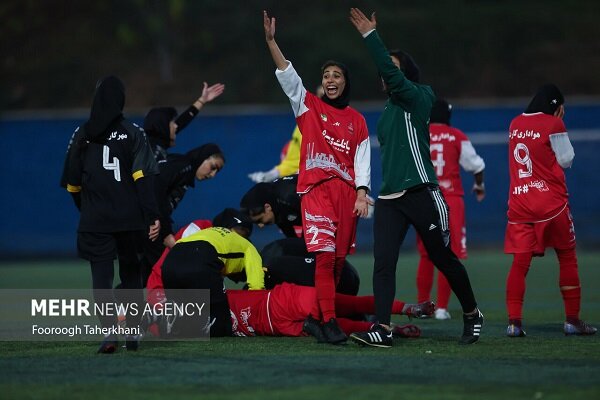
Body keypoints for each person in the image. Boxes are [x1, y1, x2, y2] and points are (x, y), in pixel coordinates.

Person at [348, 8, 483, 348]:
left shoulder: (420, 96)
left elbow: (394, 79)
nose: (385, 74)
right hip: (391, 198)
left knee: (443, 257)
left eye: (392, 68)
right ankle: (382, 327)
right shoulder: (388, 112)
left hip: (422, 192)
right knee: (383, 264)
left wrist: (370, 37)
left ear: (405, 74)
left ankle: (471, 313)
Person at [263, 10, 372, 344]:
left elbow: (362, 159)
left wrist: (362, 192)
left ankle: (318, 319)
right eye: (326, 74)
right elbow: (287, 73)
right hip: (316, 193)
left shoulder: (357, 120)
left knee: (338, 264)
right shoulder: (308, 106)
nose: (330, 79)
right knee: (324, 259)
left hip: (346, 195)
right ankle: (329, 322)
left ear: (345, 82)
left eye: (336, 74)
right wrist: (271, 41)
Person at [60, 75, 161, 353]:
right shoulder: (133, 133)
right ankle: (132, 335)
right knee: (131, 277)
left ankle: (109, 336)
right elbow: (142, 178)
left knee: (101, 280)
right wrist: (152, 215)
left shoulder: (82, 134)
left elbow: (72, 184)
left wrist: (87, 209)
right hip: (130, 220)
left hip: (95, 220)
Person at [504, 84, 596, 337]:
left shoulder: (514, 123)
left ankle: (514, 323)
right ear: (557, 106)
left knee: (519, 263)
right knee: (567, 257)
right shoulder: (554, 124)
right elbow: (566, 159)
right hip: (551, 204)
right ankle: (572, 321)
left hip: (520, 204)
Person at [415, 99, 486, 320]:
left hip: (424, 198)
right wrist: (479, 185)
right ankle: (442, 308)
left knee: (426, 255)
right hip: (450, 198)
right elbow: (477, 165)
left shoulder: (419, 134)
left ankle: (422, 307)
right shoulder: (456, 136)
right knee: (448, 255)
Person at [160, 208, 262, 337]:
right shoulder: (249, 247)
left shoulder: (206, 232)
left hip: (171, 260)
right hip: (202, 260)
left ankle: (151, 316)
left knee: (182, 317)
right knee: (221, 326)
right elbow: (257, 288)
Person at [228, 282, 433, 342]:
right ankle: (395, 320)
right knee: (342, 314)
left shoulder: (207, 301)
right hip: (277, 319)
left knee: (342, 311)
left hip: (279, 306)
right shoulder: (203, 312)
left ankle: (396, 319)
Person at [141, 143, 225, 283]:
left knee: (145, 270)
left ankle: (120, 300)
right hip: (146, 222)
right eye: (213, 167)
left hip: (149, 223)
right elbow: (155, 187)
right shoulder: (182, 165)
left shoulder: (185, 172)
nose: (213, 175)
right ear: (203, 157)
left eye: (217, 171)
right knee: (167, 268)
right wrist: (166, 232)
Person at [247, 86, 325, 183]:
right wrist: (272, 174)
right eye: (320, 96)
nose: (323, 100)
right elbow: (292, 161)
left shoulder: (343, 123)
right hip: (301, 179)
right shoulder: (304, 122)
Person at [143, 82, 225, 162]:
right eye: (172, 123)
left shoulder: (154, 143)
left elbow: (183, 121)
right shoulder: (151, 152)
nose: (175, 126)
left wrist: (202, 100)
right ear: (163, 127)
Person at [261, 237, 361, 296]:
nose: (261, 226)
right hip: (344, 274)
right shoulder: (271, 254)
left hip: (340, 277)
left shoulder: (271, 262)